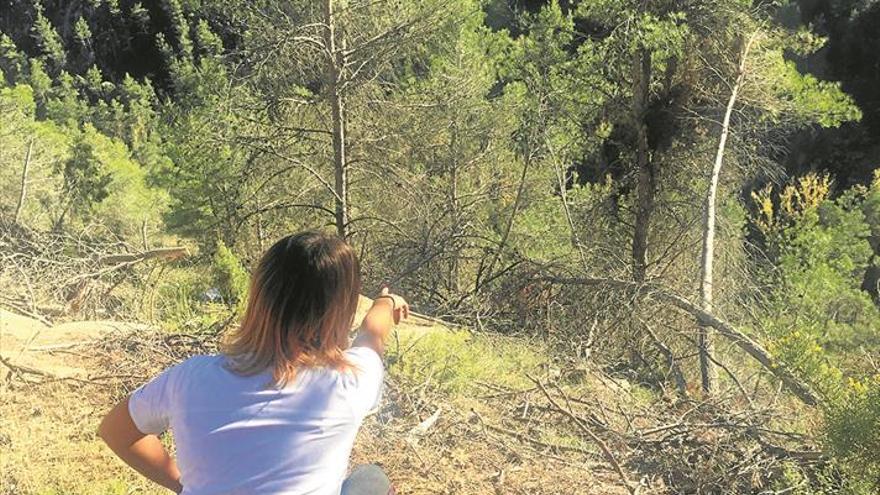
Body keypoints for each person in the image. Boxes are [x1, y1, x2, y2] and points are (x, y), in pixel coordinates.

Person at [98, 231, 409, 495]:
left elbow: (115, 431)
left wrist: (185, 487)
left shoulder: (189, 377)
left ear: (260, 294)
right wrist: (387, 301)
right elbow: (373, 332)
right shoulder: (349, 381)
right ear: (341, 309)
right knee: (371, 480)